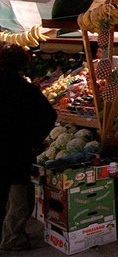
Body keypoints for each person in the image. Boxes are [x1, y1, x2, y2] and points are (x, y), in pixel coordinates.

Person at [0, 42, 56, 251]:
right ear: (22, 64)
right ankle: (12, 238)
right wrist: (34, 141)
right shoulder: (27, 90)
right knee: (19, 200)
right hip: (17, 152)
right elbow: (49, 116)